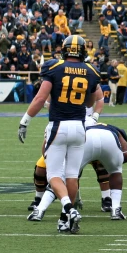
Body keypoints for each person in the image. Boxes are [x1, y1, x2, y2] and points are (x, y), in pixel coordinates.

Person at [18, 35, 103, 234]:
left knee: (54, 175)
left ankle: (68, 208)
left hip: (58, 126)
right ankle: (65, 220)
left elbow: (40, 98)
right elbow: (90, 103)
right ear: (83, 51)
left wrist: (25, 121)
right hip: (79, 128)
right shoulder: (91, 71)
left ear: (64, 49)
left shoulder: (54, 67)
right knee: (72, 175)